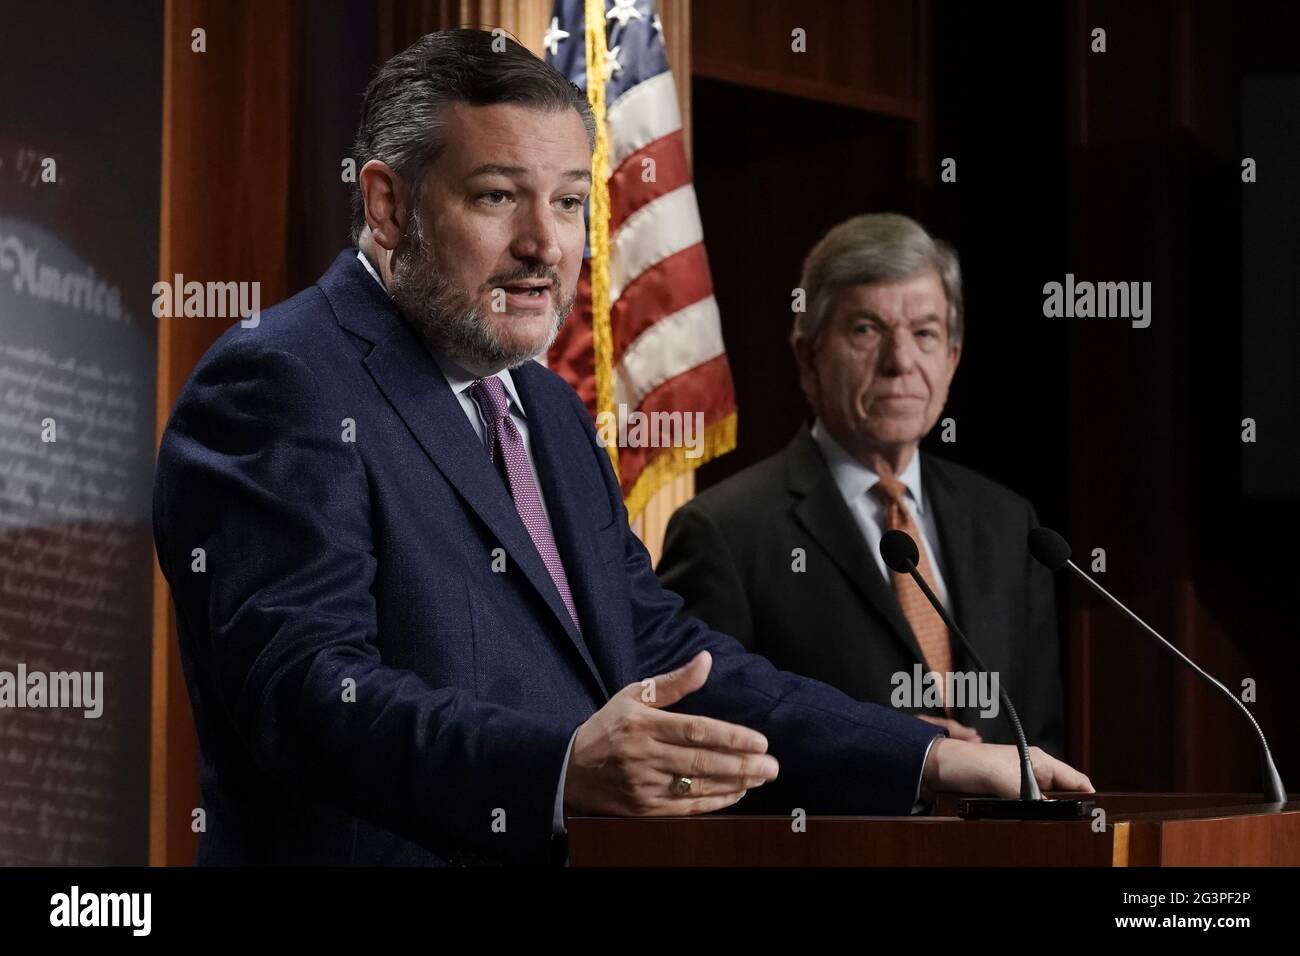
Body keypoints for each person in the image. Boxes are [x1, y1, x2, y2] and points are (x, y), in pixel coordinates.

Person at [153, 31, 1089, 866]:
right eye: (496, 197)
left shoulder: (548, 412)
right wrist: (557, 769)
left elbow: (665, 651)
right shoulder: (281, 381)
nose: (545, 246)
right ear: (389, 206)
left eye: (567, 203)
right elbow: (309, 692)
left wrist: (925, 758)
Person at [658, 213, 1066, 754]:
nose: (900, 362)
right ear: (808, 357)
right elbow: (699, 737)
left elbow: (1041, 744)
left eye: (924, 333)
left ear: (952, 358)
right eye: (866, 330)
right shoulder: (726, 533)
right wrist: (889, 756)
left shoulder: (1009, 525)